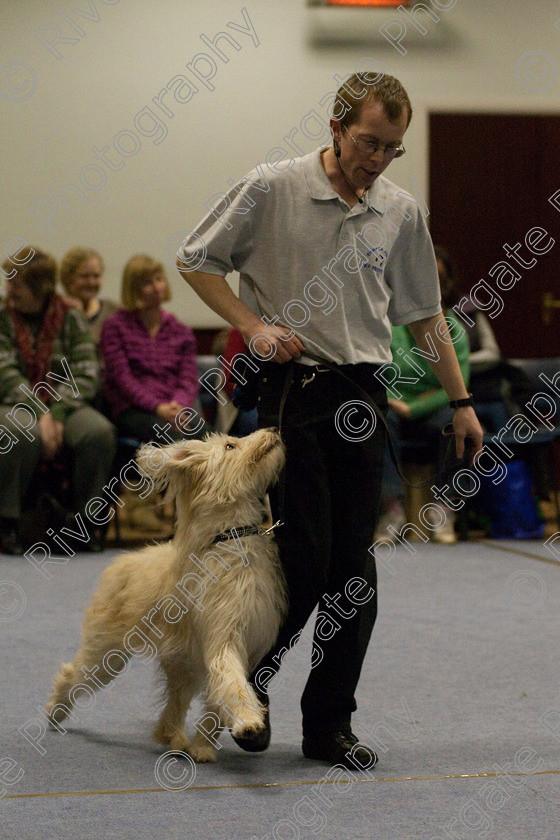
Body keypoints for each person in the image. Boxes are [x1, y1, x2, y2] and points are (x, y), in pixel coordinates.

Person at [175, 72, 483, 770]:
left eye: (393, 149)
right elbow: (196, 259)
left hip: (363, 394)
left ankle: (328, 727)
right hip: (292, 393)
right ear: (337, 126)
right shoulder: (271, 187)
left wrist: (461, 403)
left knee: (356, 577)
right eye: (370, 142)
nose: (378, 159)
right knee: (303, 565)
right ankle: (242, 692)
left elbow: (426, 317)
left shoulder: (401, 211)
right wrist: (252, 326)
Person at [0, 247, 116, 555]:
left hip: (63, 403)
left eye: (16, 283)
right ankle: (8, 524)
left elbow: (86, 371)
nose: (9, 289)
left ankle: (83, 525)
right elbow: (5, 372)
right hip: (14, 403)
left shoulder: (70, 316)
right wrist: (41, 413)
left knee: (98, 432)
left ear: (39, 287)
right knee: (18, 431)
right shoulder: (3, 317)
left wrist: (60, 413)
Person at [376, 245, 471, 544]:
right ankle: (391, 510)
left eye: (441, 280)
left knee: (456, 423)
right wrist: (394, 401)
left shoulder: (454, 330)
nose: (435, 286)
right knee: (378, 419)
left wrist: (414, 406)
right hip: (390, 404)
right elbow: (378, 373)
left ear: (449, 285)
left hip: (427, 409)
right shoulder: (391, 326)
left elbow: (455, 389)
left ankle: (444, 510)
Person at [100, 254, 204, 444]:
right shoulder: (115, 327)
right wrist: (157, 407)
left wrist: (177, 405)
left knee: (210, 439)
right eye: (147, 283)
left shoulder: (181, 331)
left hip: (174, 407)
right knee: (175, 442)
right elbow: (122, 379)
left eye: (159, 279)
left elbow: (188, 378)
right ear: (133, 289)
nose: (157, 288)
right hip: (132, 409)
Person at [59, 247, 119, 351]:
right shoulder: (56, 313)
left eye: (96, 276)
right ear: (68, 277)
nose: (91, 282)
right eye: (84, 276)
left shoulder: (113, 311)